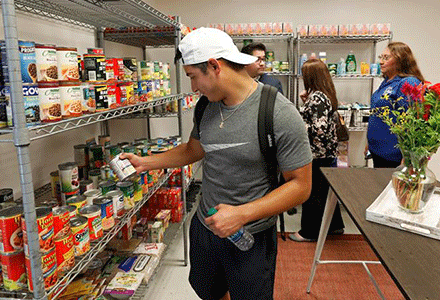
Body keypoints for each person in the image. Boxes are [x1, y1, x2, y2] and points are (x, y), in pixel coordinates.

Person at [120, 27, 313, 300]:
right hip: (205, 226)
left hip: (251, 235)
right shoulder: (206, 106)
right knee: (207, 290)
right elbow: (192, 150)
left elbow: (301, 186)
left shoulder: (279, 113)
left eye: (193, 77)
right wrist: (146, 162)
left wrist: (241, 214)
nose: (193, 87)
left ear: (214, 66)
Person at [289, 58, 345, 243]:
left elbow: (318, 129)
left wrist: (300, 127)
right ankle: (335, 226)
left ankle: (309, 232)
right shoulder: (326, 94)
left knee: (313, 193)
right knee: (325, 191)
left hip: (317, 154)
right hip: (328, 153)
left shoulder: (317, 98)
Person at [367, 42, 425, 168]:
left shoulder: (408, 83)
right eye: (381, 57)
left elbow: (414, 121)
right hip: (379, 153)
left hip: (395, 158)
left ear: (401, 60)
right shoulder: (387, 82)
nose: (381, 62)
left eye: (386, 58)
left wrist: (409, 157)